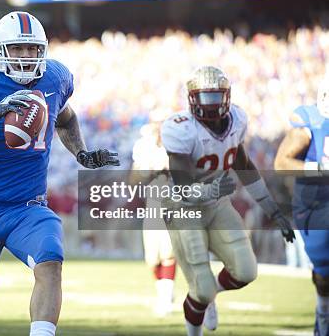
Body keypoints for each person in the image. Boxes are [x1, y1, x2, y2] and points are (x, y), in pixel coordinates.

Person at [0, 11, 120, 336]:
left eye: (32, 49)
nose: (26, 56)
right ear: (0, 49)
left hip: (27, 207)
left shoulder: (55, 77)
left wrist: (82, 154)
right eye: (18, 48)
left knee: (50, 261)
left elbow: (66, 118)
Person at [160, 66, 294, 336]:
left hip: (217, 204)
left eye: (215, 97)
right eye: (204, 98)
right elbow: (182, 188)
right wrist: (211, 190)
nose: (211, 106)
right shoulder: (182, 130)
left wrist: (272, 209)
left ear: (227, 96)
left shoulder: (238, 121)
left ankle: (211, 297)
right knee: (201, 287)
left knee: (246, 272)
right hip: (184, 208)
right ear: (192, 100)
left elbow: (244, 166)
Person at [275, 76, 329, 336]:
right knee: (324, 273)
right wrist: (318, 168)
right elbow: (281, 163)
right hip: (316, 204)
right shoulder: (311, 122)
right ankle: (323, 314)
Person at [131, 121, 176, 317]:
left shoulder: (176, 146)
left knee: (168, 252)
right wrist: (145, 171)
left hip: (174, 201)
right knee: (152, 258)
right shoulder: (144, 148)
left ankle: (165, 299)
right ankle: (165, 294)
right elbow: (132, 180)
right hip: (153, 203)